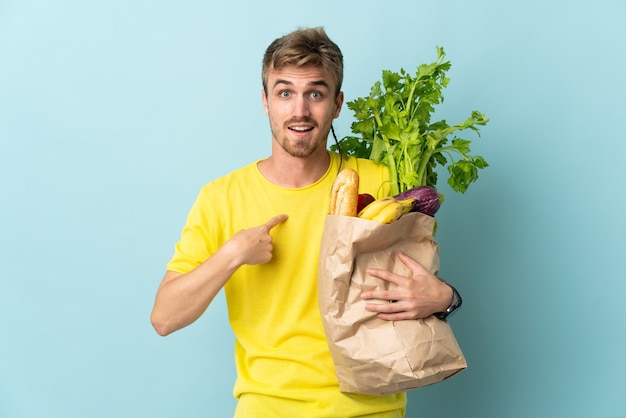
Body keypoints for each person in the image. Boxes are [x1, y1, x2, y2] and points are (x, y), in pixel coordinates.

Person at [150, 27, 459, 417]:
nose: (299, 110)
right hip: (267, 409)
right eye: (285, 93)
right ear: (265, 102)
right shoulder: (221, 198)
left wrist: (446, 299)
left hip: (371, 409)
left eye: (315, 93)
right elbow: (164, 317)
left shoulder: (383, 183)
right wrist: (232, 254)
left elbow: (416, 281)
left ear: (337, 104)